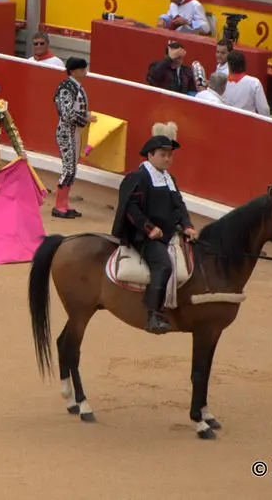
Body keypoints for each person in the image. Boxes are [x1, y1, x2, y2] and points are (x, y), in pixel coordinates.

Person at [111, 123, 196, 334]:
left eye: (170, 155)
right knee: (164, 265)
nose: (167, 159)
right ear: (150, 155)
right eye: (163, 154)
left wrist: (187, 225)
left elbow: (179, 205)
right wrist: (149, 229)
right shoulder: (138, 177)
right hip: (143, 236)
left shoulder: (169, 179)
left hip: (167, 233)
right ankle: (153, 314)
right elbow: (130, 208)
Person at [52, 57, 94, 219]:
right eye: (83, 69)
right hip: (66, 132)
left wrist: (86, 116)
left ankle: (64, 204)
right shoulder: (66, 88)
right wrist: (86, 118)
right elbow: (67, 114)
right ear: (74, 71)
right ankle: (58, 205)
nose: (85, 72)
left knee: (72, 169)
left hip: (74, 132)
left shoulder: (74, 87)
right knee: (68, 169)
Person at [222, 50, 270, 116]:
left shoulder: (221, 82)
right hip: (248, 123)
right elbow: (264, 109)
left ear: (228, 65)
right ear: (244, 64)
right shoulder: (254, 83)